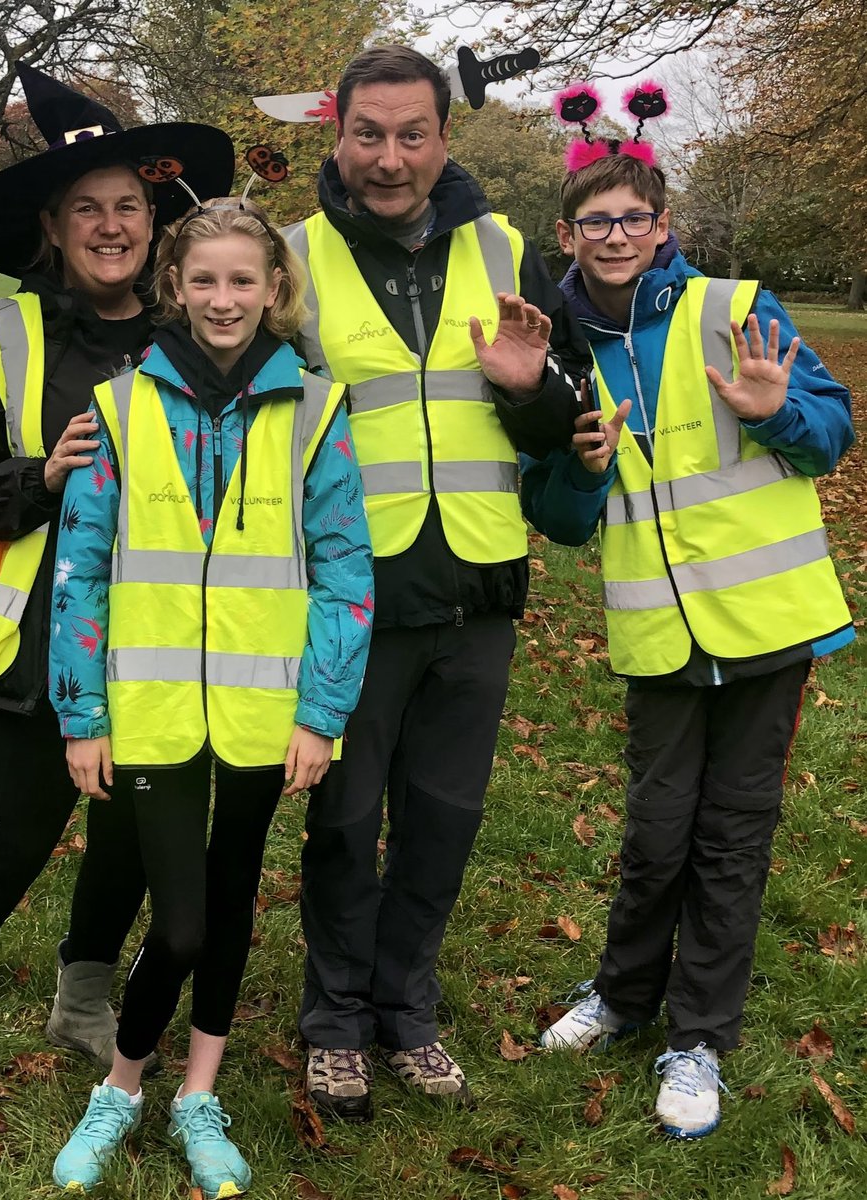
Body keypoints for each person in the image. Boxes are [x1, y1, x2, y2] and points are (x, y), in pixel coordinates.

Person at [0, 63, 234, 1128]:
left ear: (154, 219)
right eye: (88, 210)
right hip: (43, 641)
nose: (111, 226)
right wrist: (44, 476)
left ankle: (85, 999)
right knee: (17, 836)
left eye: (128, 205)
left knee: (128, 832)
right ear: (54, 226)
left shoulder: (194, 337)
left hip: (167, 641)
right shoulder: (7, 339)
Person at [281, 44, 591, 1120]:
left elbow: (565, 418)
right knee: (342, 815)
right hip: (350, 592)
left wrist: (528, 394)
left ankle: (404, 1011)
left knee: (442, 817)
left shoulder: (505, 248)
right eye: (368, 133)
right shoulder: (292, 259)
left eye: (412, 133)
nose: (389, 156)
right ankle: (332, 1020)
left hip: (476, 586)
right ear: (338, 134)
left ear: (444, 139)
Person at [524, 138, 854, 1139]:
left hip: (764, 625)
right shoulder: (560, 351)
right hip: (656, 635)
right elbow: (561, 514)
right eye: (595, 222)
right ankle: (620, 998)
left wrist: (775, 412)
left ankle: (697, 1037)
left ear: (661, 227)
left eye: (633, 218)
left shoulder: (731, 309)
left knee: (729, 839)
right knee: (654, 834)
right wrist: (580, 469)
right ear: (565, 235)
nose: (615, 236)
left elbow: (831, 430)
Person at [48, 195, 373, 1195]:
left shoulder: (316, 412)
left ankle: (198, 1094)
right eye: (203, 280)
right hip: (146, 717)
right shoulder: (119, 406)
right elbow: (81, 568)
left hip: (263, 717)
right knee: (179, 924)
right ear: (172, 288)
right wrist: (81, 713)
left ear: (273, 289)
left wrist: (322, 713)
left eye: (242, 280)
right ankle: (120, 1087)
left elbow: (345, 572)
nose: (223, 299)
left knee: (229, 906)